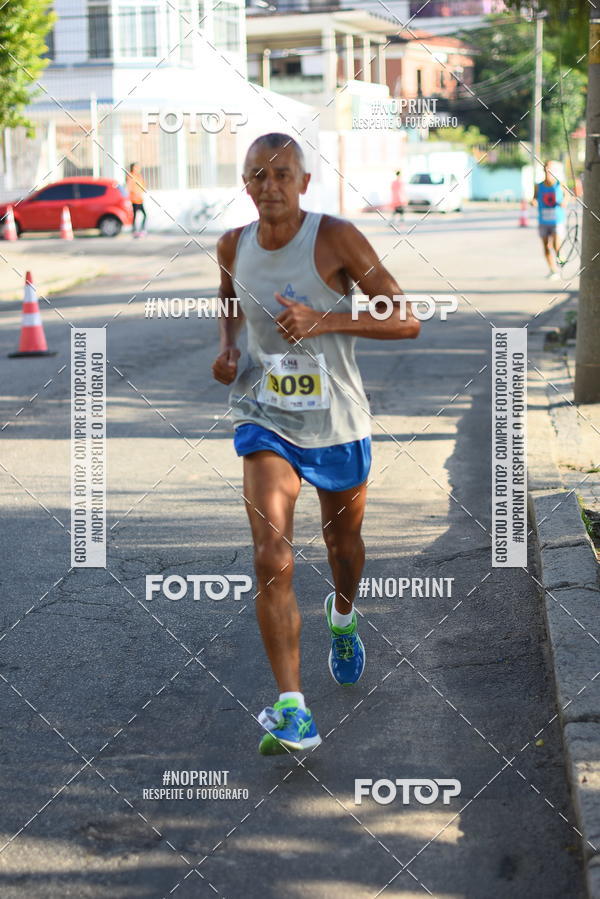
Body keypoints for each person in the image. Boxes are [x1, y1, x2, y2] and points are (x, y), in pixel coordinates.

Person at [212, 133, 420, 756]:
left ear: (304, 182)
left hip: (337, 423)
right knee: (269, 552)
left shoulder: (336, 239)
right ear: (245, 184)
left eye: (282, 174)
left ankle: (345, 616)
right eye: (257, 175)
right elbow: (229, 305)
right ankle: (292, 708)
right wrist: (228, 350)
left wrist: (323, 319)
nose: (268, 185)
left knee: (343, 546)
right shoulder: (231, 244)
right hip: (264, 417)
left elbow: (404, 318)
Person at [531, 160, 565, 279]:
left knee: (556, 245)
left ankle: (560, 259)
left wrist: (563, 203)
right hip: (543, 220)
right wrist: (533, 202)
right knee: (546, 247)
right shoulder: (538, 186)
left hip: (557, 220)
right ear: (544, 170)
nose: (548, 171)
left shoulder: (559, 185)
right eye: (547, 168)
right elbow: (534, 198)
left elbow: (567, 198)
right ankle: (553, 270)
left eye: (551, 169)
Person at [126, 162, 147, 237]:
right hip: (134, 199)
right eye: (136, 167)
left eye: (138, 167)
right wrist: (134, 194)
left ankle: (142, 230)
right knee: (135, 215)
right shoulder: (130, 176)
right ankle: (134, 231)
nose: (138, 169)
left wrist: (142, 190)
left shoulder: (139, 176)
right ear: (132, 168)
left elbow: (143, 186)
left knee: (144, 215)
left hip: (140, 199)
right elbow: (129, 187)